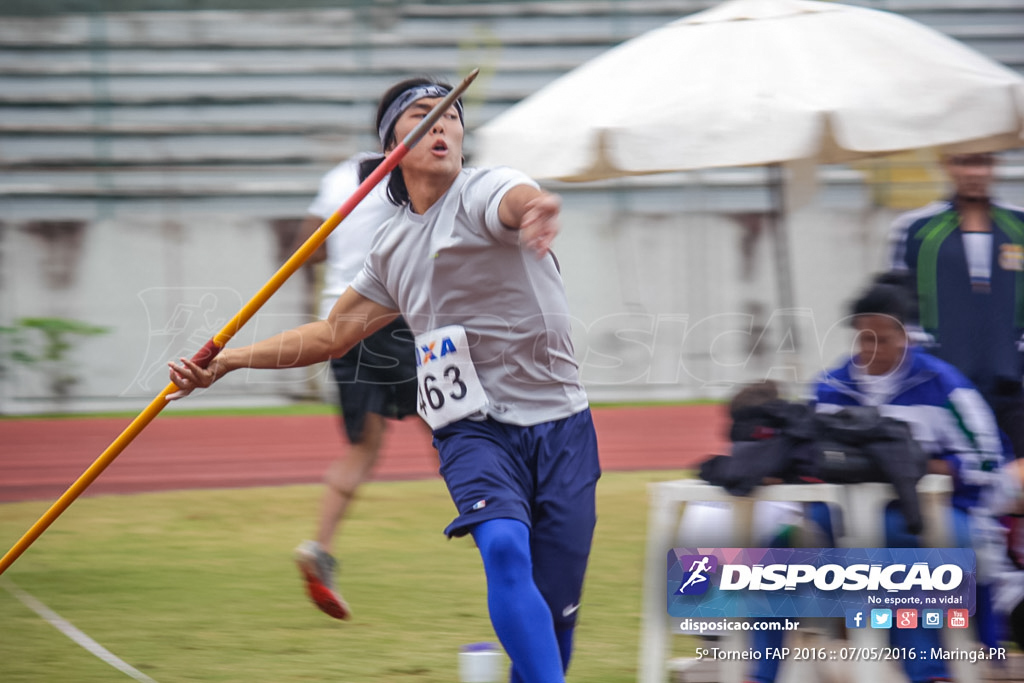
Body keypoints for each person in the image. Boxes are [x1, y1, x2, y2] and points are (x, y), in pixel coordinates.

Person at [168, 76, 600, 683]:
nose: (443, 124)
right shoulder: (392, 247)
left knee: (558, 611)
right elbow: (332, 334)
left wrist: (539, 209)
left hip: (561, 424)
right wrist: (229, 360)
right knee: (503, 547)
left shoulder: (485, 190)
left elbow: (519, 199)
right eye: (424, 114)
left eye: (452, 116)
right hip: (472, 428)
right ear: (392, 141)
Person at [289, 152, 432, 621]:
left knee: (363, 449)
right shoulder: (410, 169)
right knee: (450, 426)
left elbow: (307, 245)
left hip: (338, 324)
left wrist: (348, 250)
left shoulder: (338, 174)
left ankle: (320, 548)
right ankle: (501, 530)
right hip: (388, 317)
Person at [889, 152, 1024, 460]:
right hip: (942, 384)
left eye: (983, 162)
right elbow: (897, 308)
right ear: (947, 165)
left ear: (995, 166)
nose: (974, 173)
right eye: (965, 162)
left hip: (1011, 383)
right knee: (956, 474)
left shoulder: (1019, 224)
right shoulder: (915, 229)